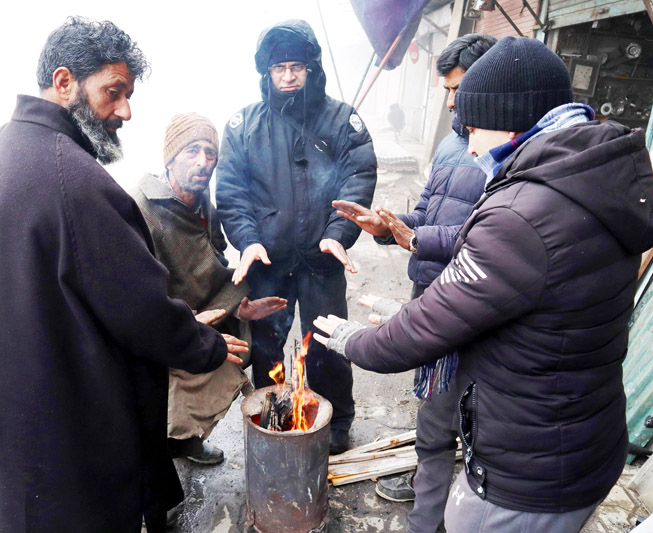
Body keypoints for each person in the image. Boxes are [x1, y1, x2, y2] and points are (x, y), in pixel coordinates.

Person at [315, 36, 653, 532]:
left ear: (512, 118)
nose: (471, 142)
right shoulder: (590, 178)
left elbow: (416, 334)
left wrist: (355, 339)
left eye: (474, 126)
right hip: (582, 440)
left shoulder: (524, 210)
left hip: (528, 474)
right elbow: (518, 292)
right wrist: (412, 249)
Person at [0, 18, 247, 532]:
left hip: (16, 410)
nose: (126, 111)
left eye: (128, 95)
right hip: (80, 415)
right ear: (64, 82)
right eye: (113, 93)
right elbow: (140, 310)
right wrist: (208, 344)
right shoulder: (77, 182)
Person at [333, 33, 495, 527]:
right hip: (431, 295)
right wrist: (388, 228)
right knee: (433, 412)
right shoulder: (451, 143)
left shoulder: (506, 151)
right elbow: (425, 214)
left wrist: (416, 238)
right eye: (447, 90)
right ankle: (428, 504)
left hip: (475, 302)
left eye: (460, 88)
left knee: (476, 420)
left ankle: (451, 511)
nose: (452, 101)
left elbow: (489, 235)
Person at [215, 19, 377, 454]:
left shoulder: (342, 119)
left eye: (296, 67)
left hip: (323, 262)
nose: (288, 76)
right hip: (268, 263)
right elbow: (231, 191)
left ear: (312, 68)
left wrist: (338, 233)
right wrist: (248, 239)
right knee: (267, 348)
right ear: (266, 73)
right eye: (279, 68)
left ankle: (337, 422)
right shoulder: (243, 125)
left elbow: (358, 177)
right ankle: (278, 417)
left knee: (328, 345)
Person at [130, 113, 287, 465]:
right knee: (168, 407)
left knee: (237, 351)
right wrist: (186, 323)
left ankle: (187, 443)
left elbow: (212, 263)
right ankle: (165, 462)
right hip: (163, 330)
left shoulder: (202, 206)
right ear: (169, 157)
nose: (203, 163)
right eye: (191, 152)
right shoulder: (140, 209)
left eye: (210, 154)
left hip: (204, 317)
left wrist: (239, 306)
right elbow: (135, 296)